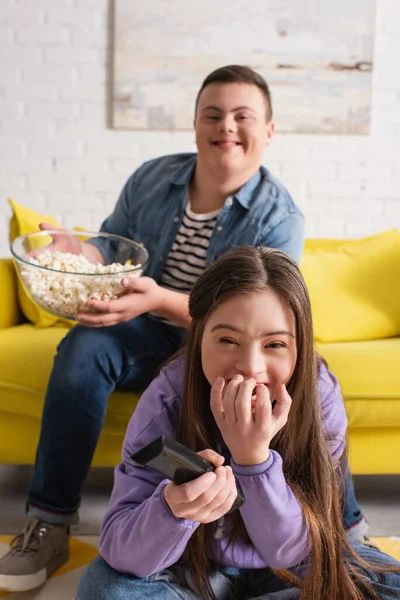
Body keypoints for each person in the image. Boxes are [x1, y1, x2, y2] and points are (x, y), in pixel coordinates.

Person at [0, 65, 365, 593]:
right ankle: (49, 518)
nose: (227, 127)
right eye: (213, 115)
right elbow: (113, 250)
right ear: (195, 124)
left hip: (212, 332)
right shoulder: (152, 179)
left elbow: (263, 318)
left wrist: (170, 302)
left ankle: (343, 527)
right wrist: (78, 250)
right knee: (83, 348)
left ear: (268, 131)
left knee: (312, 387)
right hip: (155, 336)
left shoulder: (278, 217)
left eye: (244, 116)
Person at [75, 246, 400, 600]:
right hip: (189, 566)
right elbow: (121, 551)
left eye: (275, 344)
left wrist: (253, 459)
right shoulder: (166, 399)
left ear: (299, 347)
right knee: (102, 588)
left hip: (293, 568)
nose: (250, 366)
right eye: (228, 340)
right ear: (199, 336)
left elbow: (291, 551)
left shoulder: (319, 395)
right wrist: (171, 510)